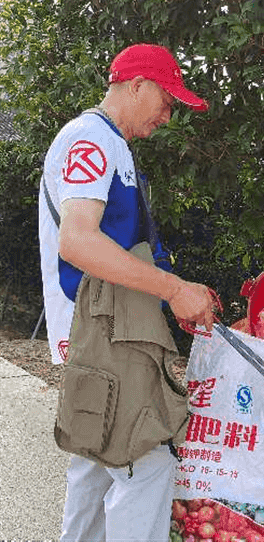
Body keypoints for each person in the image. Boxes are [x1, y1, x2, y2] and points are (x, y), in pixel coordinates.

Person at [39, 43, 215, 541]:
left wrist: (171, 292)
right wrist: (173, 288)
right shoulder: (92, 140)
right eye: (166, 100)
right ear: (137, 85)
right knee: (146, 459)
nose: (168, 115)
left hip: (104, 325)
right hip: (103, 330)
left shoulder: (107, 141)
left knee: (95, 457)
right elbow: (77, 240)